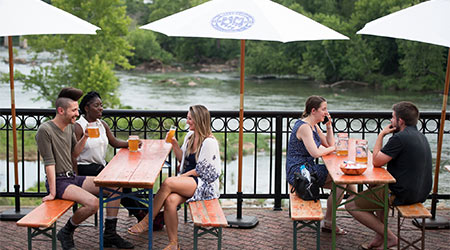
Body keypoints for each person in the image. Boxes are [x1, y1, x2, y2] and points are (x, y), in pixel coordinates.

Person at [36, 87, 134, 250]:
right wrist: (52, 193)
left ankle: (109, 233)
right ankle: (67, 231)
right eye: (74, 110)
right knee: (93, 204)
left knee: (116, 185)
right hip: (59, 181)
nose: (77, 113)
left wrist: (86, 136)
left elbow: (74, 153)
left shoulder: (68, 127)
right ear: (61, 111)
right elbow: (49, 163)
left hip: (72, 177)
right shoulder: (45, 130)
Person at [128, 105, 221, 250]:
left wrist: (182, 176)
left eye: (190, 118)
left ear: (199, 120)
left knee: (168, 182)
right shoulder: (190, 136)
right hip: (189, 182)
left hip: (203, 184)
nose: (187, 121)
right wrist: (175, 144)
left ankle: (148, 220)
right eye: (187, 117)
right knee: (171, 201)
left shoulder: (209, 142)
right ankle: (173, 243)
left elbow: (203, 170)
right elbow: (181, 159)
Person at [345, 101, 432, 250]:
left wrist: (381, 134)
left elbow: (377, 161)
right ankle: (380, 236)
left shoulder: (399, 138)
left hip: (402, 194)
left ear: (400, 121)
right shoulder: (420, 136)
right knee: (375, 185)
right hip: (421, 193)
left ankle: (390, 237)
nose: (391, 121)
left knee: (351, 204)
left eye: (393, 118)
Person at [74, 91, 147, 222]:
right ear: (86, 108)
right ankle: (144, 214)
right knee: (118, 181)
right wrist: (75, 176)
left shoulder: (102, 124)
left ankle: (143, 214)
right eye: (96, 105)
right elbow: (72, 154)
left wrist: (131, 143)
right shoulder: (79, 126)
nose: (100, 108)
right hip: (85, 168)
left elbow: (114, 142)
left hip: (100, 166)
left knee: (123, 178)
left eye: (101, 105)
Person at [286, 95, 351, 235]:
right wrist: (335, 149)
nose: (326, 112)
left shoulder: (313, 125)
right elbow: (315, 153)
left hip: (306, 168)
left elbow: (329, 144)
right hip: (299, 172)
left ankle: (356, 208)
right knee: (342, 182)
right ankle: (329, 221)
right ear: (313, 110)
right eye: (324, 109)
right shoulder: (304, 127)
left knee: (347, 182)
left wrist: (328, 126)